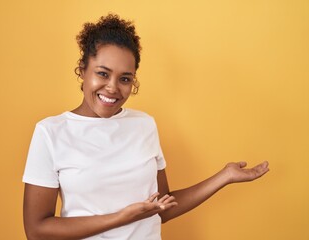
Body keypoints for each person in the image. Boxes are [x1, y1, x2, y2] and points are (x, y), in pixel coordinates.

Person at [22, 14, 269, 240]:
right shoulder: (51, 132)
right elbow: (37, 230)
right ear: (83, 70)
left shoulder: (144, 125)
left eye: (125, 78)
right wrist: (121, 217)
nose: (112, 88)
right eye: (103, 73)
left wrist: (225, 176)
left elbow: (162, 207)